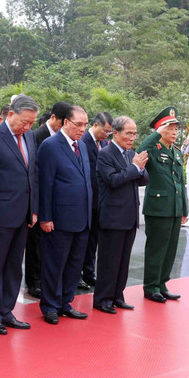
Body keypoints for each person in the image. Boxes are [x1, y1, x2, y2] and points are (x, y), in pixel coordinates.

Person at [0, 95, 39, 334]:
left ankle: (7, 311)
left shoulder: (30, 137)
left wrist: (34, 209)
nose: (27, 127)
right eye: (24, 121)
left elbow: (32, 175)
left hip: (23, 214)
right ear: (11, 114)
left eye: (32, 122)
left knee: (14, 266)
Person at [37, 104, 92, 324]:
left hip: (82, 218)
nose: (82, 129)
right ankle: (50, 304)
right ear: (65, 122)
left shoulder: (82, 146)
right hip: (58, 219)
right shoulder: (50, 146)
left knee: (74, 264)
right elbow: (45, 184)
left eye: (85, 125)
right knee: (54, 264)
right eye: (78, 124)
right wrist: (45, 216)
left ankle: (65, 302)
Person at [94, 116, 149, 313]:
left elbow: (143, 180)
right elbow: (112, 180)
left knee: (123, 261)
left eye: (134, 134)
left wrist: (139, 169)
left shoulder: (131, 153)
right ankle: (103, 299)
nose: (132, 138)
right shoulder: (106, 154)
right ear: (115, 133)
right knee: (109, 260)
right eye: (128, 133)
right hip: (112, 216)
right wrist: (134, 168)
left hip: (129, 216)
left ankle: (117, 295)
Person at [138, 107, 187, 303]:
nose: (175, 132)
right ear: (160, 129)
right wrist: (155, 135)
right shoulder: (154, 149)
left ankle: (162, 283)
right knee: (156, 249)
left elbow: (180, 182)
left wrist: (184, 208)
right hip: (158, 208)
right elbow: (140, 151)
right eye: (171, 128)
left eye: (176, 128)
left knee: (170, 249)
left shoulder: (175, 151)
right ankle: (151, 286)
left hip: (174, 208)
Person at [24, 102, 69, 299]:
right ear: (53, 119)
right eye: (62, 122)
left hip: (55, 198)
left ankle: (45, 279)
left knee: (48, 244)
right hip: (37, 196)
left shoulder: (63, 139)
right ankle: (33, 281)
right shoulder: (36, 136)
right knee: (34, 243)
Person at [80, 111, 113, 289]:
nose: (106, 135)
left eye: (109, 132)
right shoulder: (83, 142)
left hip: (100, 200)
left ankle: (89, 272)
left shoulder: (105, 144)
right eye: (105, 131)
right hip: (87, 199)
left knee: (94, 240)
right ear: (95, 125)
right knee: (83, 239)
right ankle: (77, 274)